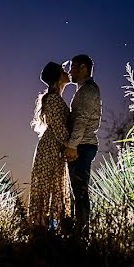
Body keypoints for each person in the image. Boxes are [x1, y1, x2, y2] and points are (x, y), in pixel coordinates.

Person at [28, 61, 72, 232]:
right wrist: (71, 145)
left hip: (55, 147)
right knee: (48, 186)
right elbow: (59, 127)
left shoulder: (55, 98)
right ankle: (42, 230)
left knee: (53, 186)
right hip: (51, 148)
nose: (66, 72)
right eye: (63, 71)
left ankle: (49, 229)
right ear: (57, 77)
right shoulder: (53, 99)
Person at [64, 54, 102, 241]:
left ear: (83, 67)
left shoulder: (87, 91)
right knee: (77, 192)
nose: (69, 71)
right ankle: (79, 234)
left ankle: (82, 237)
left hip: (82, 146)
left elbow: (81, 120)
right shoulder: (84, 90)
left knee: (80, 193)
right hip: (83, 144)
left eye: (72, 67)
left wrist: (72, 146)